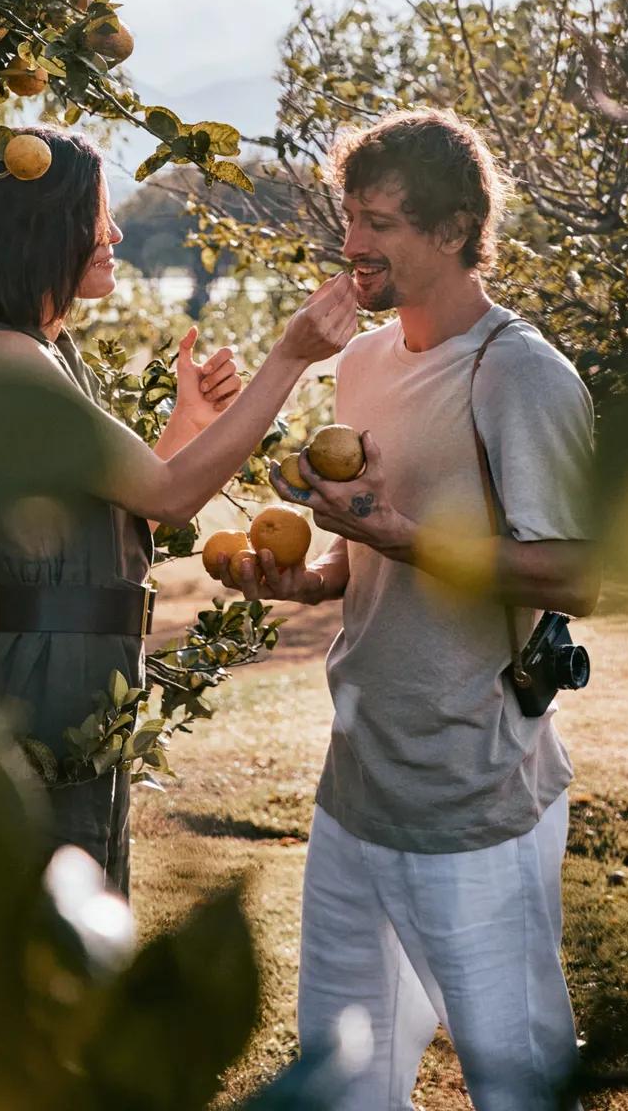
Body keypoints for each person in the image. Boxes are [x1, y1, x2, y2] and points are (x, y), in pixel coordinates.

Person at [224, 108, 598, 1111]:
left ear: (455, 227)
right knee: (342, 1074)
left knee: (514, 1074)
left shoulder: (519, 373)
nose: (353, 244)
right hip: (359, 778)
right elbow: (369, 548)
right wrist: (313, 577)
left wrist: (393, 533)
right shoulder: (361, 363)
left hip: (472, 788)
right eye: (350, 215)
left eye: (381, 221)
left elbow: (572, 575)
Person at [0, 124, 357, 897]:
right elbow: (170, 495)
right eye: (97, 214)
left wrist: (188, 423)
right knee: (43, 948)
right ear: (44, 228)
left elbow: (133, 519)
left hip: (80, 674)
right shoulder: (3, 360)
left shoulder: (46, 355)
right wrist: (289, 358)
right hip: (45, 679)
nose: (114, 234)